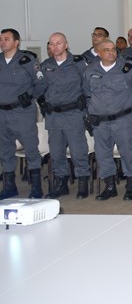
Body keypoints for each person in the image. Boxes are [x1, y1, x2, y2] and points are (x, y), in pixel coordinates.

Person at [83, 39, 132, 201]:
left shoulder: (126, 68)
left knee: (128, 152)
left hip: (122, 119)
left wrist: (125, 106)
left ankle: (130, 185)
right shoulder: (90, 70)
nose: (111, 52)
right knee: (103, 154)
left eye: (113, 49)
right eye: (106, 50)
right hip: (100, 121)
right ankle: (110, 186)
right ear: (99, 53)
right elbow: (87, 93)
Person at [39, 33, 90, 199]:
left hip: (73, 114)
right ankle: (61, 183)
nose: (55, 47)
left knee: (78, 151)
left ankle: (83, 182)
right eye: (52, 44)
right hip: (54, 116)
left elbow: (89, 85)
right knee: (56, 152)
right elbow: (39, 88)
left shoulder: (78, 63)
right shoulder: (45, 65)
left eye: (58, 43)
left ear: (66, 45)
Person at [0, 28, 46, 199]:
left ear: (16, 42)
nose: (2, 42)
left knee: (31, 148)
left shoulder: (27, 60)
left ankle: (36, 187)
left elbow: (41, 82)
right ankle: (9, 186)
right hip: (2, 113)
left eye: (6, 39)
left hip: (22, 111)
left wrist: (31, 96)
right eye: (1, 39)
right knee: (5, 150)